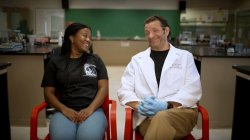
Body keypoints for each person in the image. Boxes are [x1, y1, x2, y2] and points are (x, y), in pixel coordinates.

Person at [117, 15, 202, 140]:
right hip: (147, 117)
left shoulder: (185, 57)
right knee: (160, 120)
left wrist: (167, 106)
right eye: (147, 32)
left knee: (162, 117)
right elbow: (124, 90)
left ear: (166, 31)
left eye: (155, 31)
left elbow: (193, 89)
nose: (150, 36)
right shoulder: (137, 60)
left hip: (181, 113)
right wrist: (139, 106)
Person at [41, 22, 108, 140]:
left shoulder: (95, 60)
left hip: (93, 111)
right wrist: (64, 109)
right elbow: (48, 93)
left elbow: (103, 88)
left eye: (90, 38)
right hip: (64, 112)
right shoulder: (55, 62)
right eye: (84, 35)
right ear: (71, 38)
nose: (88, 40)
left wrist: (90, 109)